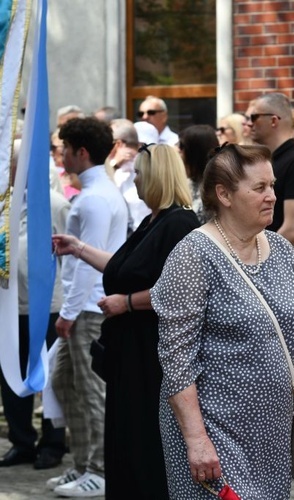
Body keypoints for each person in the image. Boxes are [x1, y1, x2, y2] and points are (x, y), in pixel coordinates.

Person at [150, 144, 294, 499]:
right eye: (259, 188)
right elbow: (177, 361)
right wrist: (196, 439)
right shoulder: (192, 254)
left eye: (273, 186)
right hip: (214, 431)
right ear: (224, 194)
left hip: (271, 433)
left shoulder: (281, 250)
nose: (272, 197)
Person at [53, 144, 200, 499]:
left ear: (156, 177)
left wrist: (128, 304)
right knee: (126, 432)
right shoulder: (153, 220)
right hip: (129, 349)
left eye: (139, 174)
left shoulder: (178, 223)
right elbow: (122, 267)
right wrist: (79, 248)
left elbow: (179, 289)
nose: (134, 179)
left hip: (149, 349)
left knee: (142, 435)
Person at [48, 117, 129, 497]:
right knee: (65, 383)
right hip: (82, 308)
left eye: (64, 148)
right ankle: (82, 464)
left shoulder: (95, 198)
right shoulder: (95, 193)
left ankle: (100, 469)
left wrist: (68, 313)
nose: (60, 154)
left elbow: (86, 263)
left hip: (88, 309)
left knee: (91, 389)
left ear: (81, 152)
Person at [0, 141, 69, 470]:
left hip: (49, 304)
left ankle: (53, 442)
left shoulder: (55, 203)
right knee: (12, 375)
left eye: (10, 163)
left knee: (51, 377)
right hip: (11, 307)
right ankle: (21, 440)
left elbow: (71, 252)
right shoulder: (4, 204)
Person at [246, 93, 294, 269]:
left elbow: (293, 231)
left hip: (281, 273)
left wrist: (256, 263)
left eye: (254, 117)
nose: (249, 123)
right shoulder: (267, 161)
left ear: (273, 121)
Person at [109, 119, 151, 231]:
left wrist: (113, 165)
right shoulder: (150, 164)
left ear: (118, 144)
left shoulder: (119, 171)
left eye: (108, 142)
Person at [178, 124, 219, 223]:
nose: (178, 151)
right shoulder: (184, 184)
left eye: (181, 147)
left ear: (194, 152)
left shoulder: (214, 191)